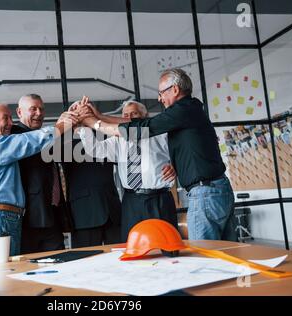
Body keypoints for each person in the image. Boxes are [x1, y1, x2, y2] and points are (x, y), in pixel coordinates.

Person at [74, 68, 237, 241]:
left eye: (161, 93)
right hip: (134, 200)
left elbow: (142, 128)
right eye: (125, 115)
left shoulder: (170, 122)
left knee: (197, 250)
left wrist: (95, 122)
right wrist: (91, 123)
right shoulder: (189, 110)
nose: (159, 98)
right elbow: (99, 149)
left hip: (172, 196)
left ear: (174, 90)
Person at [0, 102, 78, 259]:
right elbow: (30, 141)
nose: (10, 123)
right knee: (2, 270)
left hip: (0, 215)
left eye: (10, 118)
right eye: (5, 118)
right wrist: (61, 126)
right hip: (0, 216)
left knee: (7, 267)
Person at [76, 100, 178, 241]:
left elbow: (180, 152)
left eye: (133, 114)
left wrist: (176, 166)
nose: (127, 118)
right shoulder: (118, 140)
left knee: (165, 244)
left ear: (145, 115)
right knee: (133, 245)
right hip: (131, 201)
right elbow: (95, 149)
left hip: (159, 199)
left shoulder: (160, 134)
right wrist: (85, 126)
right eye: (125, 114)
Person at [10, 94, 71, 254]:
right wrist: (59, 127)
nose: (39, 113)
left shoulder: (46, 137)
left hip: (51, 214)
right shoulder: (15, 135)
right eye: (33, 109)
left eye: (41, 109)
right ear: (19, 112)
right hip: (29, 219)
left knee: (60, 265)